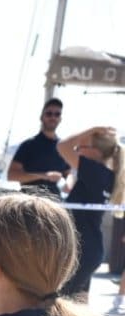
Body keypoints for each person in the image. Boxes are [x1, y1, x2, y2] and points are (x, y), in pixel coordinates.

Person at [57, 127, 123, 300]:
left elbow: (62, 146)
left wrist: (92, 130)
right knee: (77, 305)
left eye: (81, 146)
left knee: (60, 304)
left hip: (81, 249)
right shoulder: (105, 175)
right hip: (88, 248)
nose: (77, 149)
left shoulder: (94, 171)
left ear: (96, 151)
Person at [8, 98, 69, 198]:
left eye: (57, 114)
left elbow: (68, 174)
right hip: (30, 199)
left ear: (60, 119)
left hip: (54, 201)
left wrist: (69, 184)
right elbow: (12, 175)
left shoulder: (62, 147)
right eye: (49, 114)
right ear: (41, 117)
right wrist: (44, 176)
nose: (53, 117)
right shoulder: (28, 145)